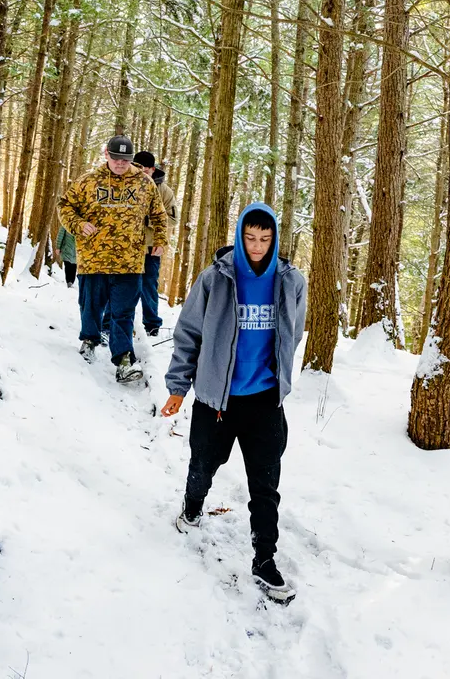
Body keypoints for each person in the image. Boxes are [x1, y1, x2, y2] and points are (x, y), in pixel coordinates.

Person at [161, 203, 307, 602]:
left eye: (265, 238)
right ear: (240, 236)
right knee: (202, 465)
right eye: (250, 237)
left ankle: (264, 560)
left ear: (274, 239)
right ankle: (192, 508)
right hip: (216, 402)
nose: (257, 246)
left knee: (265, 486)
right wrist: (178, 387)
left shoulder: (291, 282)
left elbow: (292, 335)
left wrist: (281, 383)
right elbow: (188, 333)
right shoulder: (215, 279)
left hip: (264, 402)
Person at [58, 134, 168, 383]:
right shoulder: (88, 181)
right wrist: (78, 224)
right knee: (91, 306)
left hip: (130, 262)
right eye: (116, 158)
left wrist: (160, 240)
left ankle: (124, 360)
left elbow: (159, 215)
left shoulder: (144, 183)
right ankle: (89, 340)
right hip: (93, 259)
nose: (120, 164)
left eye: (125, 159)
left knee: (123, 312)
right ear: (107, 155)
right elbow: (65, 206)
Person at [132, 151, 177, 336]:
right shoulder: (127, 184)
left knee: (148, 286)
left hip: (151, 247)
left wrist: (148, 221)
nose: (139, 171)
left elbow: (173, 219)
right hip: (126, 246)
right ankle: (109, 323)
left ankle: (152, 325)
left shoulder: (164, 191)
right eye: (135, 167)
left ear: (152, 169)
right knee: (119, 285)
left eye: (143, 168)